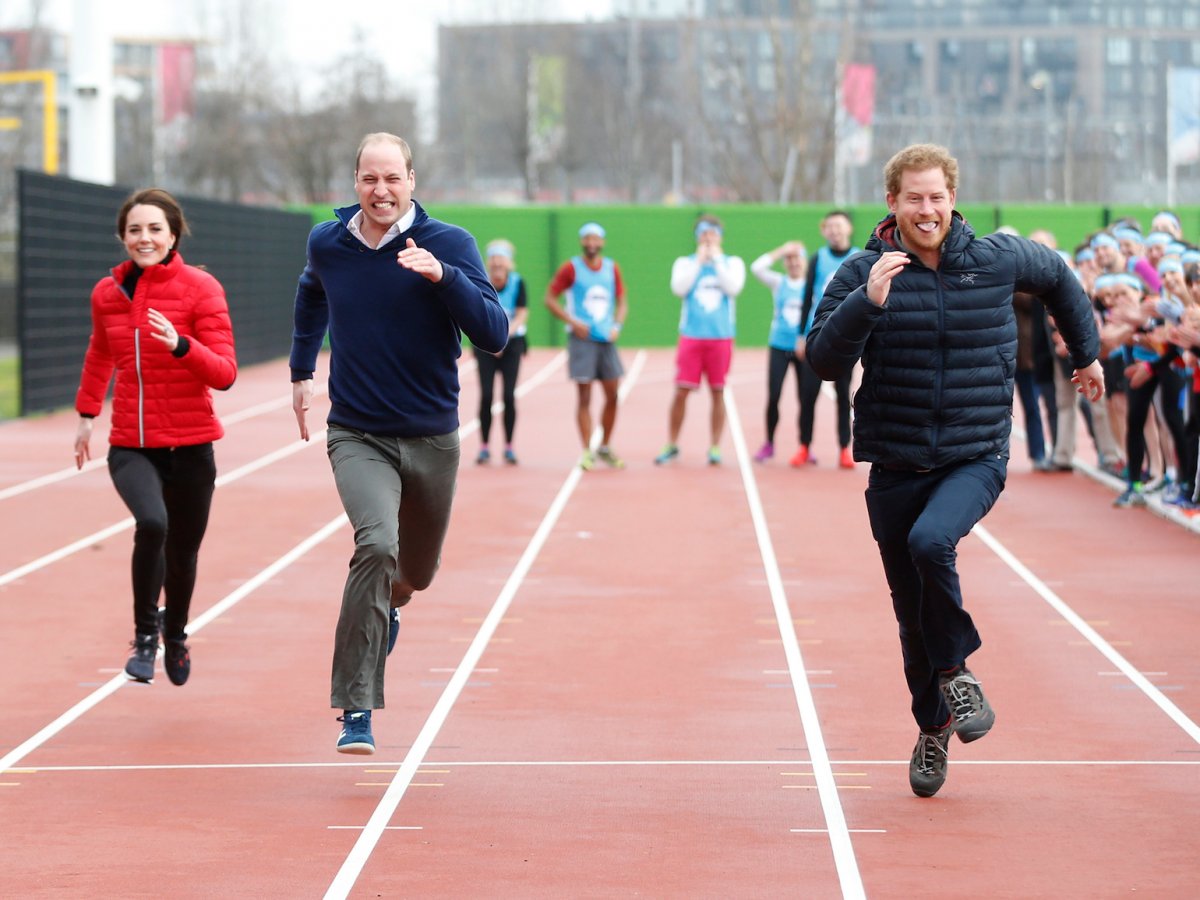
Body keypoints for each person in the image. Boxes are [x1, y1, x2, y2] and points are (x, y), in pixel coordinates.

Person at [806, 144, 1103, 799]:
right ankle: (934, 728)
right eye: (913, 197)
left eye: (936, 196)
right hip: (895, 462)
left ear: (952, 198)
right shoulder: (864, 270)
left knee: (931, 541)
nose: (927, 209)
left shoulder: (996, 258)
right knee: (911, 619)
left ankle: (958, 671)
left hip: (975, 455)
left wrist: (1087, 354)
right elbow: (822, 360)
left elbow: (1057, 275)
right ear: (893, 203)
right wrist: (868, 303)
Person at [290, 133, 508, 755]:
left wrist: (445, 279)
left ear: (412, 180)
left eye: (392, 179)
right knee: (376, 544)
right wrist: (302, 371)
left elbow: (493, 333)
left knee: (414, 574)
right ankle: (356, 707)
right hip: (357, 431)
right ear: (354, 180)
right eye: (368, 179)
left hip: (433, 437)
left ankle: (390, 609)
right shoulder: (328, 243)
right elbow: (311, 294)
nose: (380, 191)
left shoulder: (450, 244)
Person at [73, 188, 238, 688]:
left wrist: (181, 345)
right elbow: (101, 352)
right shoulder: (108, 294)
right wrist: (86, 414)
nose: (143, 238)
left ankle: (177, 631)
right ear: (123, 237)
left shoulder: (201, 288)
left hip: (191, 446)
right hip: (131, 445)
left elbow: (225, 373)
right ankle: (146, 635)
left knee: (183, 552)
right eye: (134, 230)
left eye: (154, 229)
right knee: (152, 522)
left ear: (173, 235)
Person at [655, 214, 746, 466]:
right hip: (692, 337)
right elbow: (679, 288)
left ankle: (715, 446)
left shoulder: (732, 263)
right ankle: (672, 442)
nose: (708, 238)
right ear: (697, 236)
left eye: (713, 233)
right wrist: (698, 260)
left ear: (720, 236)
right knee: (681, 390)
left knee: (718, 391)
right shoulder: (685, 263)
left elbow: (733, 287)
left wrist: (715, 259)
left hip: (721, 338)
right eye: (704, 233)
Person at [544, 222, 629, 470]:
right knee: (584, 396)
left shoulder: (612, 268)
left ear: (602, 242)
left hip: (606, 339)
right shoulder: (571, 268)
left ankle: (604, 446)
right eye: (587, 239)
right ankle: (586, 450)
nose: (592, 243)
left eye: (596, 239)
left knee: (613, 394)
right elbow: (549, 298)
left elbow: (622, 301)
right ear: (582, 242)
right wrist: (572, 322)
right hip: (582, 340)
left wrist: (617, 326)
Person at [796, 210, 861, 469]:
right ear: (824, 231)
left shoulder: (859, 258)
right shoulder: (817, 259)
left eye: (839, 226)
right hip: (817, 336)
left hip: (845, 337)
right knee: (808, 394)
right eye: (830, 226)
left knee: (843, 396)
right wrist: (801, 335)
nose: (835, 230)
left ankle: (845, 448)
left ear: (848, 229)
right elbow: (806, 298)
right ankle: (804, 446)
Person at [748, 241, 807, 463]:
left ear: (804, 261)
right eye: (789, 259)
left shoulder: (810, 283)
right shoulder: (779, 282)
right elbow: (756, 268)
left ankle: (804, 445)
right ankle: (769, 443)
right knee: (774, 396)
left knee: (805, 398)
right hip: (779, 346)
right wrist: (781, 249)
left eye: (797, 258)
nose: (793, 263)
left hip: (803, 348)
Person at [474, 239, 527, 465]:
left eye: (501, 258)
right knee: (486, 395)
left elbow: (522, 313)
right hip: (485, 344)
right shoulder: (481, 281)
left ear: (508, 263)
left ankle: (509, 446)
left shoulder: (517, 282)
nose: (497, 263)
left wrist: (504, 337)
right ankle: (484, 446)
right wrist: (491, 338)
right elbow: (476, 311)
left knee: (508, 396)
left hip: (512, 343)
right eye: (493, 258)